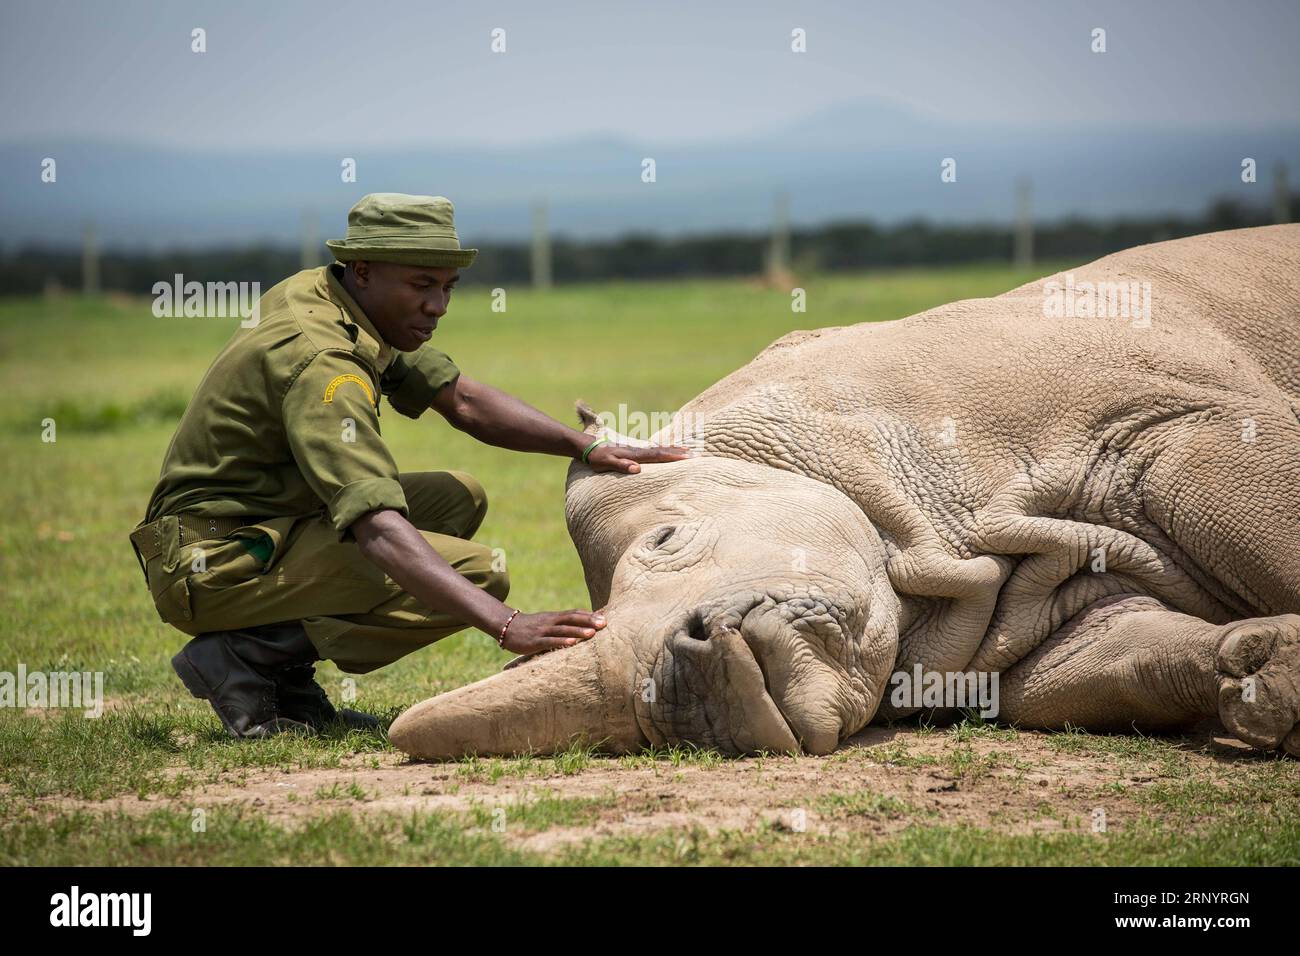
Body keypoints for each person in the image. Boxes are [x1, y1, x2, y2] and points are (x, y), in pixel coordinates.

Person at [129, 192, 690, 738]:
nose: (438, 306)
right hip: (209, 563)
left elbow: (461, 399)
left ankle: (276, 673)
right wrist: (506, 623)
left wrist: (585, 445)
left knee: (457, 497)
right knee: (478, 573)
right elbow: (377, 528)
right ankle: (244, 656)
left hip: (260, 523)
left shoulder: (330, 293)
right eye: (422, 285)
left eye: (448, 287)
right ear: (364, 269)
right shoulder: (327, 365)